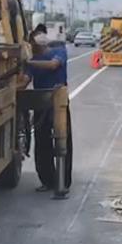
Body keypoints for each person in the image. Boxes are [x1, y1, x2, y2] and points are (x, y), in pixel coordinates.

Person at [26, 30, 72, 192]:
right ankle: (47, 180)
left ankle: (63, 182)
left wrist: (28, 63)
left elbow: (53, 65)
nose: (30, 46)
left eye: (32, 44)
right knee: (42, 142)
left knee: (62, 141)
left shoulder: (59, 52)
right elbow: (26, 79)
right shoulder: (33, 58)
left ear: (38, 44)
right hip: (41, 102)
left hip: (59, 102)